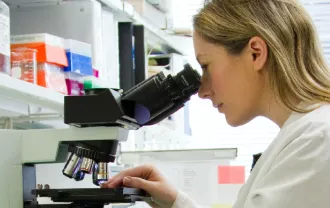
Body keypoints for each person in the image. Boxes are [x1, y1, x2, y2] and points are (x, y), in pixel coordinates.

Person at [102, 0, 330, 207]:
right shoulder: (305, 135)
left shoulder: (317, 140)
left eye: (206, 66)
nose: (202, 91)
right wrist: (175, 202)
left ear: (256, 54)